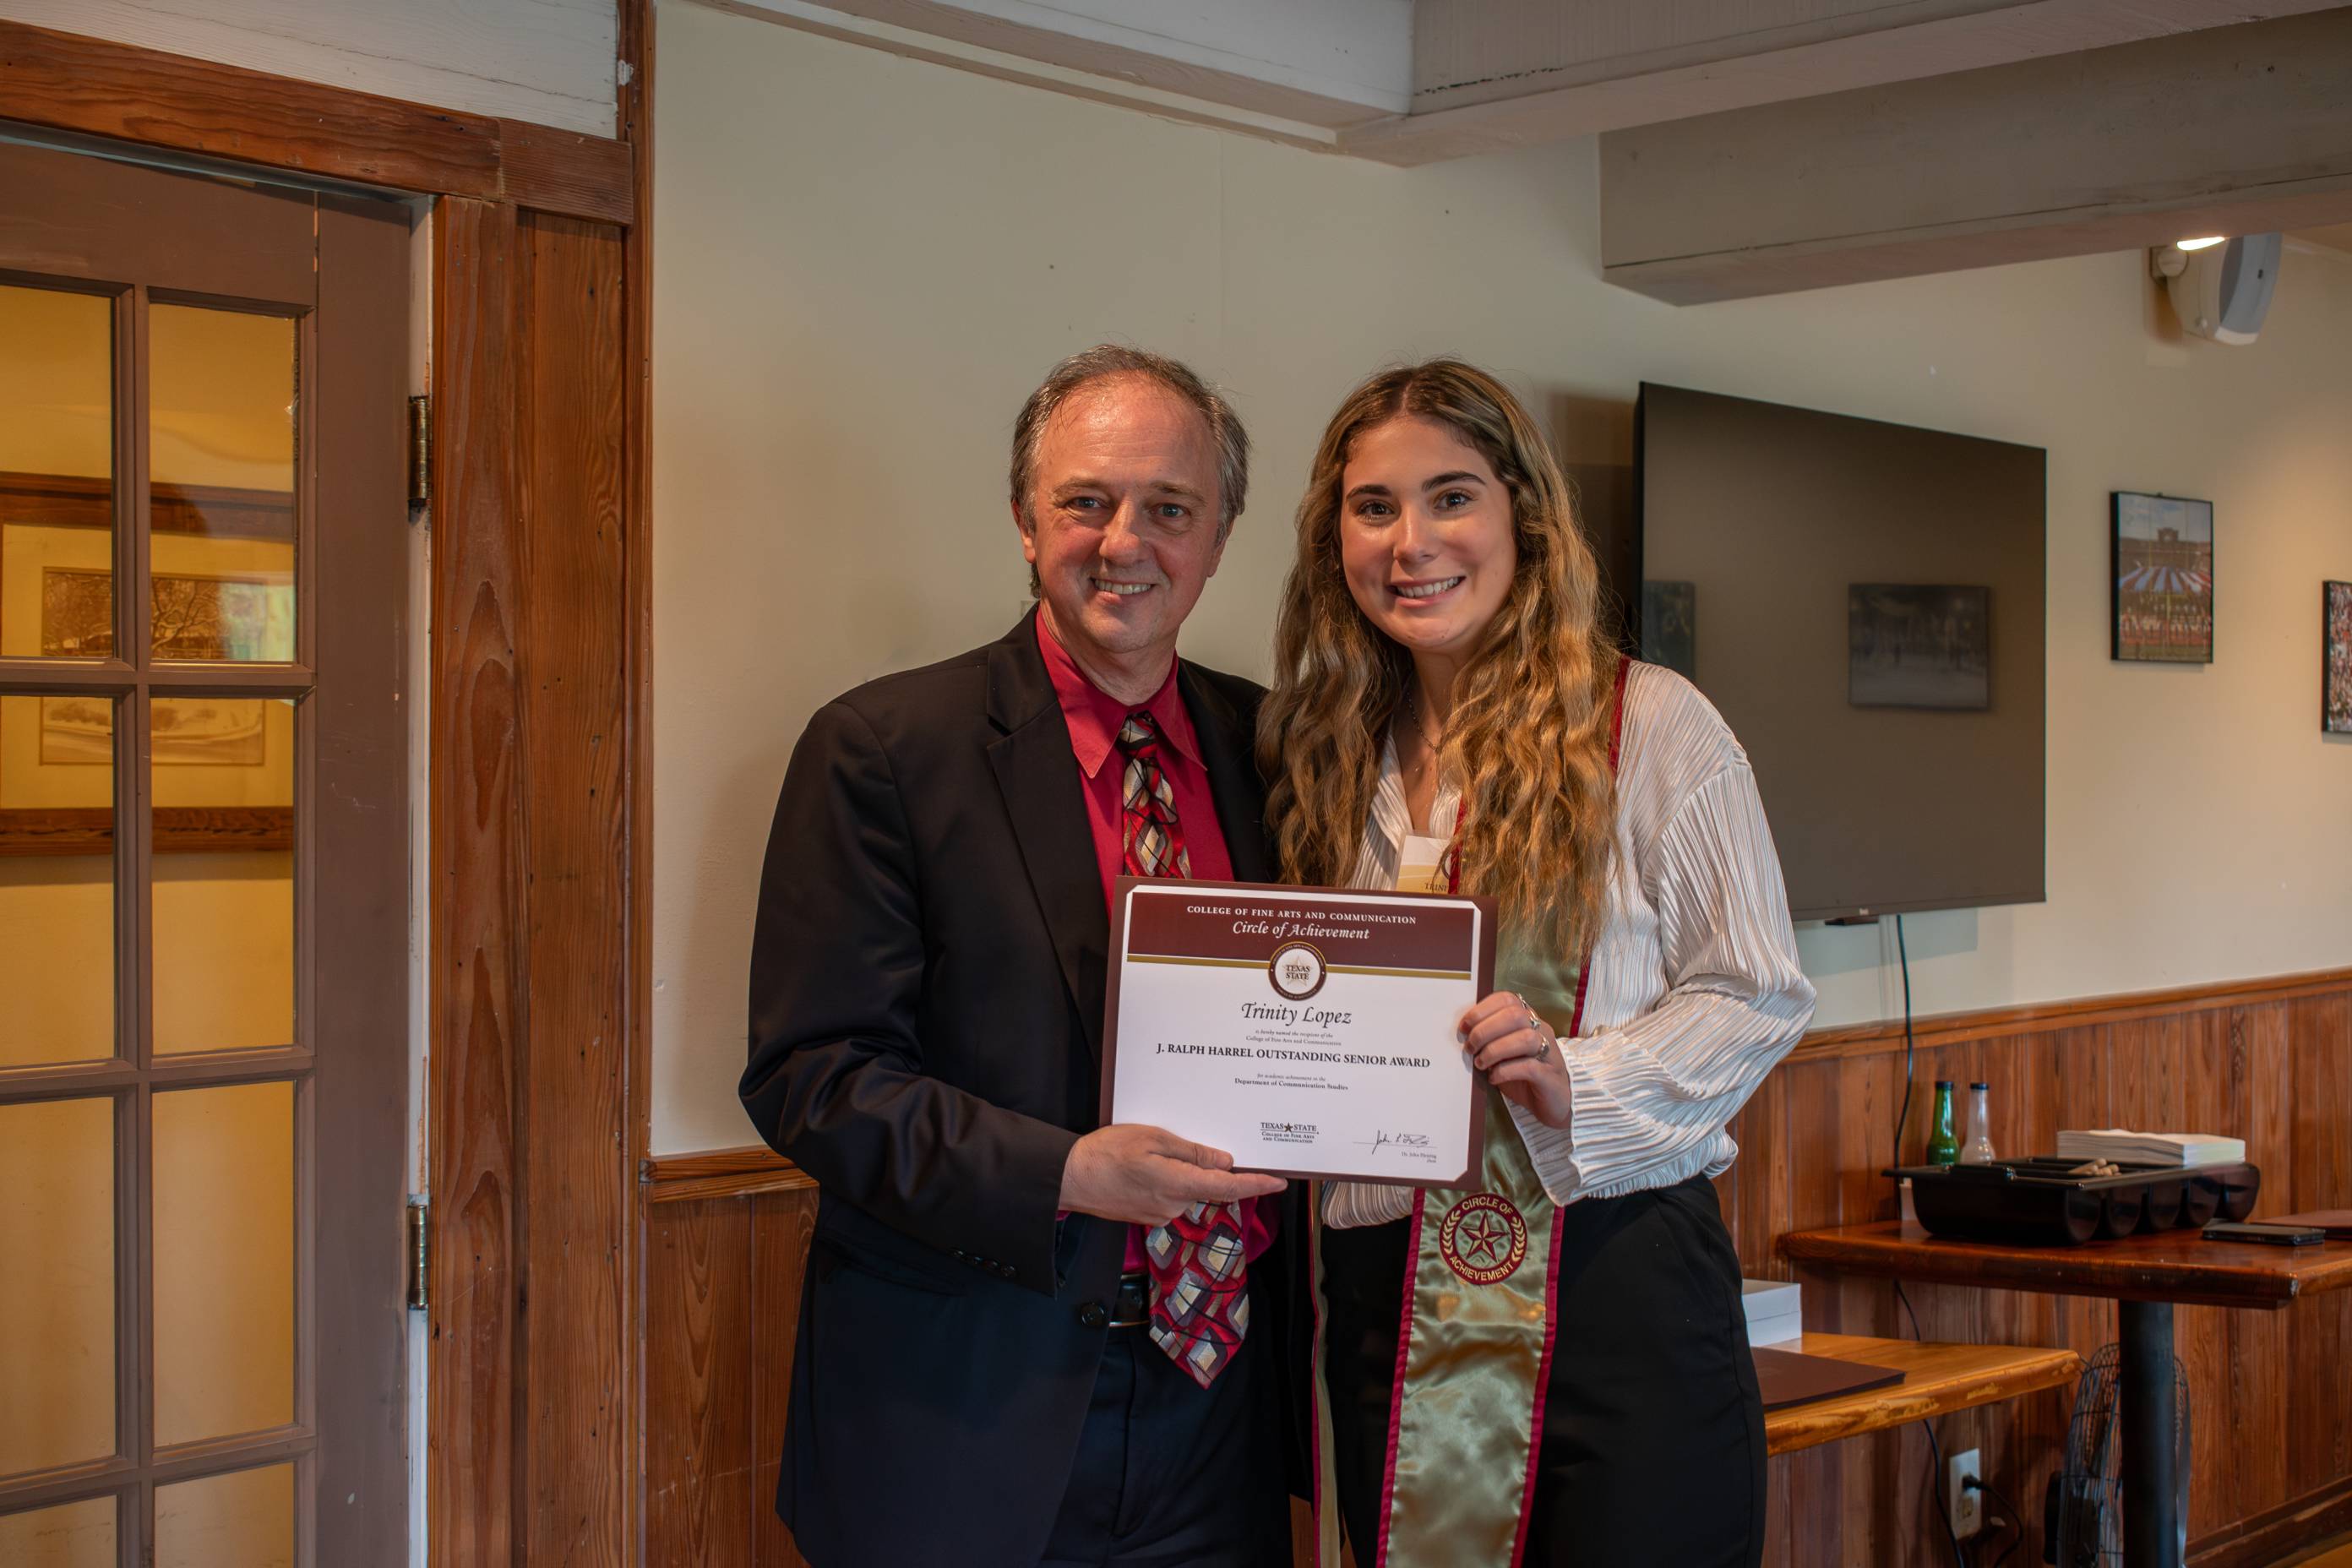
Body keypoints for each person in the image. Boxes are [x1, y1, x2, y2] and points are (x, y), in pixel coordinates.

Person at [742, 346, 1305, 1567]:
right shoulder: (883, 749)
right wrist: (1068, 1173)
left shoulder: (1279, 748)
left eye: (1170, 509)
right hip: (966, 1410)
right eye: (1086, 501)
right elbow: (812, 1077)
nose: (1124, 542)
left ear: (1218, 538)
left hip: (1223, 1409)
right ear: (1023, 517)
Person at [1258, 360, 1816, 1568]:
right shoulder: (1322, 753)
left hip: (1611, 1284)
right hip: (1386, 1290)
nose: (1411, 543)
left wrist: (1581, 1080)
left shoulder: (1649, 724)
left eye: (1451, 497)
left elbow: (1756, 988)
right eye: (1373, 508)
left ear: (1524, 515)